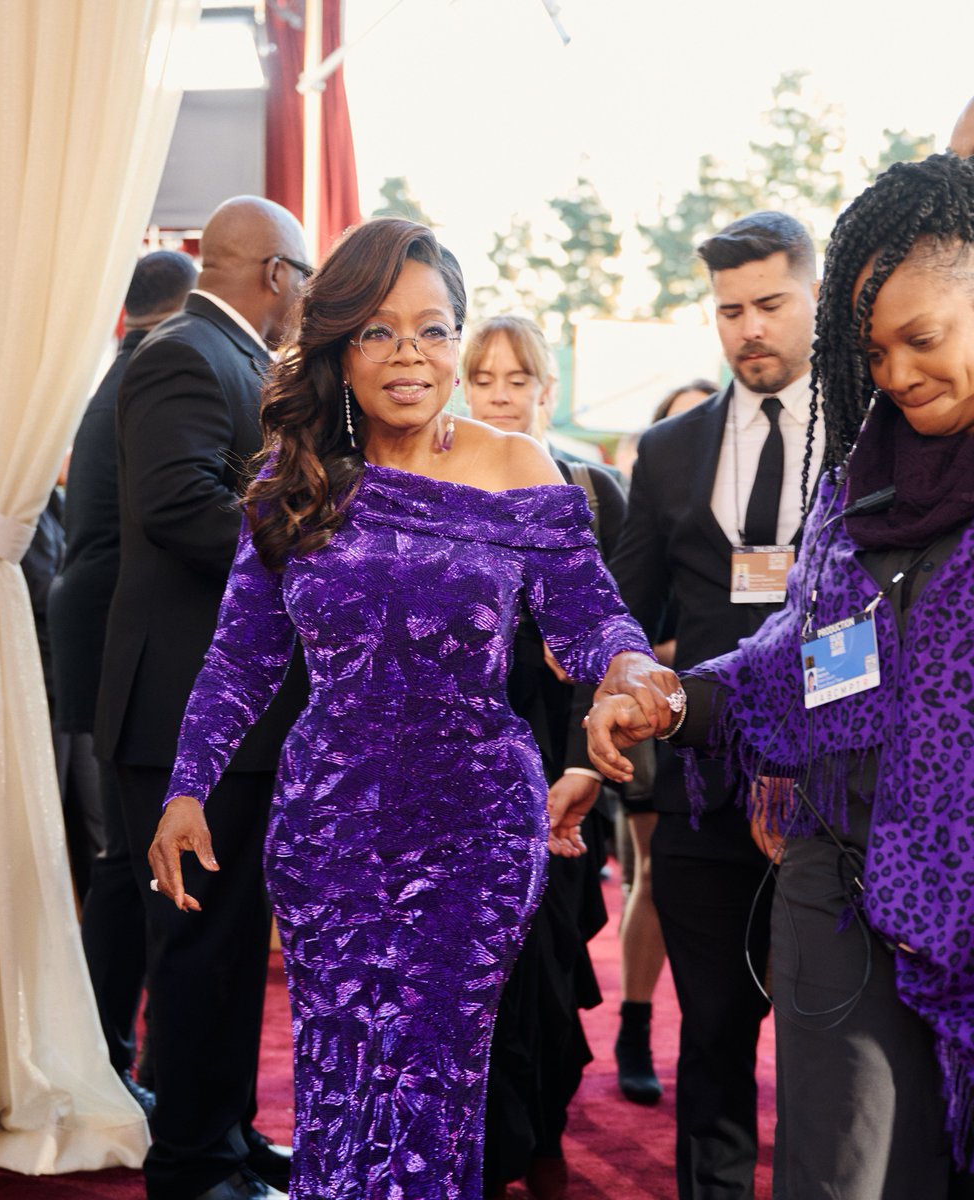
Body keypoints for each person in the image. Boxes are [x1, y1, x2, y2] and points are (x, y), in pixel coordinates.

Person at [148, 218, 678, 1200]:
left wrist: (633, 670)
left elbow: (590, 618)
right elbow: (242, 652)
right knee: (344, 1085)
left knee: (429, 1085)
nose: (409, 357)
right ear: (340, 345)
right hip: (328, 831)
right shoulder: (291, 480)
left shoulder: (520, 469)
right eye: (380, 332)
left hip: (475, 827)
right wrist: (187, 788)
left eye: (433, 331)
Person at [588, 152, 974, 1199]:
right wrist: (677, 696)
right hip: (837, 890)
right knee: (840, 1176)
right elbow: (803, 657)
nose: (894, 375)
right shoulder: (861, 479)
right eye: (873, 351)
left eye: (922, 340)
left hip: (965, 903)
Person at [96, 198, 310, 1200]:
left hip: (233, 719)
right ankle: (187, 1164)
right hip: (183, 709)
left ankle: (223, 1135)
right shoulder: (186, 354)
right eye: (306, 278)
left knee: (228, 944)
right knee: (193, 945)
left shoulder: (233, 361)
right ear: (277, 273)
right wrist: (315, 544)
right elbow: (177, 506)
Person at [608, 210, 823, 1199]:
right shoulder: (668, 451)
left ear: (816, 298)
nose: (751, 330)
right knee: (718, 1038)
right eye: (731, 310)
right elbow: (625, 614)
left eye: (772, 304)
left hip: (839, 794)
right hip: (703, 793)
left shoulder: (875, 432)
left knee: (832, 1045)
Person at [462, 315, 627, 1199]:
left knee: (550, 963)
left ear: (545, 389)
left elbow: (613, 642)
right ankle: (484, 1150)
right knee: (469, 975)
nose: (499, 394)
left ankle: (543, 1133)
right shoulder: (431, 490)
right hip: (464, 769)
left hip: (566, 759)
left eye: (516, 379)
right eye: (482, 377)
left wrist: (581, 766)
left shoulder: (594, 490)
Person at [49, 249, 198, 1113]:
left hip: (100, 644)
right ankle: (114, 1061)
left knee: (117, 865)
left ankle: (112, 1055)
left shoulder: (124, 367)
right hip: (125, 652)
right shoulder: (162, 366)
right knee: (128, 866)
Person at [613, 375, 715, 1108]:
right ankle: (636, 1025)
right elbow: (628, 620)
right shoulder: (652, 501)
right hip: (656, 718)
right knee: (650, 873)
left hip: (728, 708)